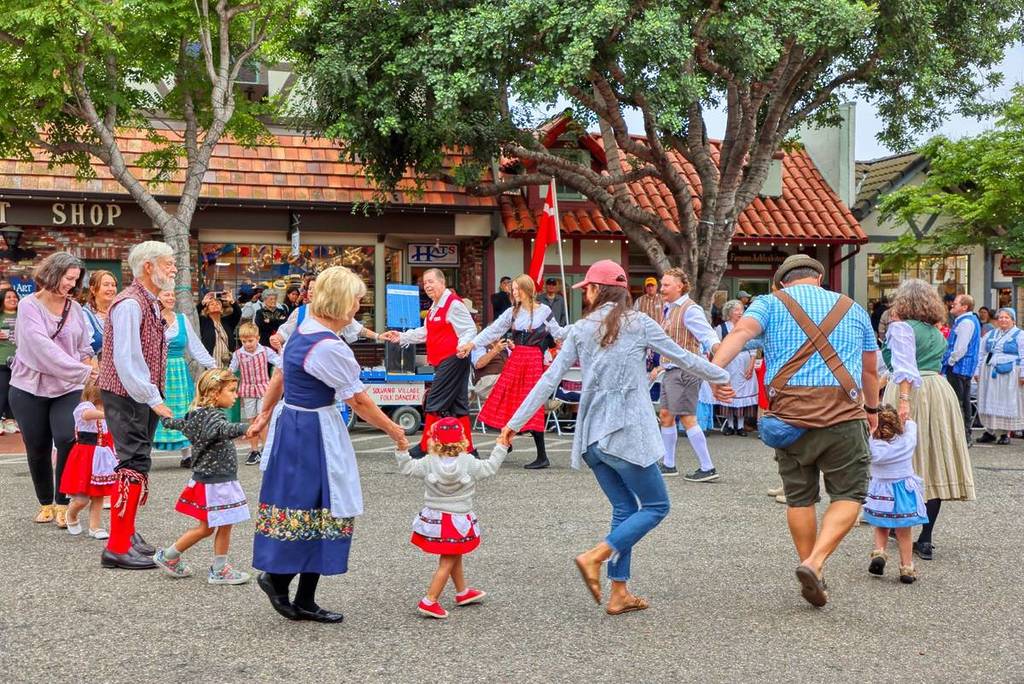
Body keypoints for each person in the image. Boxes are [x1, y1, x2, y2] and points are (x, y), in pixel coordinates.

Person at [501, 260, 730, 615]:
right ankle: (596, 555)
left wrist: (513, 423)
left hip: (592, 438)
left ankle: (619, 592)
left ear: (597, 289)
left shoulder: (581, 328)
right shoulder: (639, 323)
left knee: (625, 508)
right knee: (657, 506)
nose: (585, 295)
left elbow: (549, 379)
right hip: (625, 433)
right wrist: (721, 377)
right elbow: (684, 357)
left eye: (587, 289)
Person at [711, 254, 879, 608]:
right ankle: (815, 563)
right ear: (818, 278)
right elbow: (869, 371)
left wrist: (716, 373)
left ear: (783, 282)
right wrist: (873, 410)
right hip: (843, 416)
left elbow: (740, 334)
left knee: (800, 497)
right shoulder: (852, 308)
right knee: (849, 495)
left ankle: (811, 565)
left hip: (789, 417)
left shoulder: (769, 303)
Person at [250, 266, 408, 623]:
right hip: (313, 430)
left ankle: (299, 593)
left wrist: (264, 413)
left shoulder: (305, 329)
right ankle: (279, 580)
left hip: (296, 424)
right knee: (321, 506)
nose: (358, 305)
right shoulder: (327, 346)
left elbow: (281, 376)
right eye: (355, 299)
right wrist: (392, 430)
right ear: (342, 301)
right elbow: (358, 400)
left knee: (312, 507)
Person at [881, 280, 976, 562]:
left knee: (903, 460)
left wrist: (904, 400)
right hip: (938, 389)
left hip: (911, 391)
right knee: (934, 460)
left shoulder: (901, 328)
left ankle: (899, 526)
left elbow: (904, 368)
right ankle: (926, 537)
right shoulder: (936, 332)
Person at [97, 241, 177, 570]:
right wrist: (154, 400)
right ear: (148, 266)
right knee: (133, 462)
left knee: (137, 461)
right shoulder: (130, 303)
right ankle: (117, 546)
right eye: (168, 263)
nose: (173, 269)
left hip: (137, 394)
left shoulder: (149, 302)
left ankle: (126, 534)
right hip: (126, 394)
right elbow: (127, 360)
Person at [9, 252, 96, 528]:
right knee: (37, 445)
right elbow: (40, 348)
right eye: (68, 278)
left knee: (67, 437)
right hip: (28, 386)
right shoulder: (28, 306)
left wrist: (89, 370)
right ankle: (45, 502)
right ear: (53, 273)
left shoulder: (76, 309)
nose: (71, 284)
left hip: (68, 386)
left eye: (75, 280)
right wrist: (83, 371)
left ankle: (62, 501)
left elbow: (84, 347)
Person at [395, 418, 510, 618]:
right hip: (458, 519)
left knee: (454, 554)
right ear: (462, 438)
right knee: (448, 559)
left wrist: (402, 450)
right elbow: (490, 467)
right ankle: (429, 600)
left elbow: (408, 468)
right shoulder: (469, 462)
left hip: (436, 518)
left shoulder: (428, 462)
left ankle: (462, 591)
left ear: (434, 439)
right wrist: (501, 446)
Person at [153, 368, 259, 585]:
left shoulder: (198, 414)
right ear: (214, 392)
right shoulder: (213, 417)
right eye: (231, 390)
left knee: (207, 527)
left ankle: (170, 556)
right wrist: (246, 428)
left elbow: (183, 425)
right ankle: (218, 570)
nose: (236, 395)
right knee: (221, 524)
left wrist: (167, 420)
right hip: (217, 481)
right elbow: (221, 429)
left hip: (210, 480)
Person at [458, 274, 567, 469]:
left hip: (532, 360)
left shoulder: (544, 311)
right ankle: (506, 442)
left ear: (526, 290)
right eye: (513, 289)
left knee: (532, 403)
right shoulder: (512, 312)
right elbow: (493, 330)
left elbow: (558, 333)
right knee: (505, 398)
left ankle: (542, 455)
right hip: (516, 359)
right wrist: (472, 344)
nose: (513, 292)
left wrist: (579, 331)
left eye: (516, 288)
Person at [380, 268, 478, 456]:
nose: (427, 286)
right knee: (458, 405)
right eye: (425, 283)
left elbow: (469, 329)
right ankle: (469, 449)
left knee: (434, 400)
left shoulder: (453, 304)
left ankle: (425, 446)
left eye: (431, 281)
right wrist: (401, 337)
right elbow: (425, 332)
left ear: (442, 282)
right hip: (444, 360)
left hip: (454, 359)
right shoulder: (435, 307)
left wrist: (462, 345)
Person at [649, 268, 721, 480]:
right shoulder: (670, 309)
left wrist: (719, 353)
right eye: (662, 285)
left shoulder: (690, 309)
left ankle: (708, 467)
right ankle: (669, 464)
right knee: (666, 415)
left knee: (687, 416)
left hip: (685, 370)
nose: (662, 289)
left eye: (666, 285)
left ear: (680, 286)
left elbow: (707, 335)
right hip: (671, 370)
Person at [153, 290, 217, 469]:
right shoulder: (152, 319)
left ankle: (187, 455)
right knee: (156, 409)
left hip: (179, 372)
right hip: (157, 370)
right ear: (157, 298)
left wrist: (212, 365)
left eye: (172, 295)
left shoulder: (181, 319)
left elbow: (195, 346)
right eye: (166, 295)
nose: (170, 298)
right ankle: (144, 454)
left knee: (183, 409)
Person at [864, 407, 928, 585]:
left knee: (881, 525)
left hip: (880, 492)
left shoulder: (872, 445)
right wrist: (906, 419)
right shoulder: (906, 442)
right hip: (902, 492)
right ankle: (906, 567)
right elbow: (912, 427)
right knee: (904, 531)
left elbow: (866, 438)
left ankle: (879, 552)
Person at [58, 382, 117, 538]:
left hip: (102, 458)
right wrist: (109, 413)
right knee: (81, 499)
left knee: (98, 495)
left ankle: (95, 527)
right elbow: (87, 415)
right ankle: (71, 514)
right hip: (84, 457)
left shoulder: (106, 410)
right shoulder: (84, 407)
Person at [230, 321, 282, 466]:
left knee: (262, 419)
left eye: (250, 340)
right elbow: (232, 369)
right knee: (252, 420)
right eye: (244, 341)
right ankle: (254, 450)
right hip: (248, 390)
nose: (247, 344)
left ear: (258, 338)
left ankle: (266, 448)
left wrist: (280, 350)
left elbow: (279, 362)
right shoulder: (238, 354)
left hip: (264, 389)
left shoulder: (265, 351)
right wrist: (225, 376)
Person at [976, 307, 1024, 446]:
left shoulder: (1020, 335)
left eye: (1006, 317)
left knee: (1006, 400)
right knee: (988, 399)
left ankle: (1005, 433)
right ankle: (990, 431)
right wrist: (977, 371)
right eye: (1001, 317)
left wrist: (1023, 374)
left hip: (1009, 374)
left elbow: (1023, 355)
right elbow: (981, 353)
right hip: (989, 372)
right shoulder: (991, 334)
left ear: (1013, 320)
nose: (1003, 320)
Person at [717, 299, 760, 436]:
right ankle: (730, 425)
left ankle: (740, 426)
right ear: (729, 312)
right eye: (737, 310)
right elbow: (717, 347)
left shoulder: (746, 326)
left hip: (744, 363)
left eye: (741, 309)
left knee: (742, 393)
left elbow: (753, 348)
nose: (740, 312)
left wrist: (751, 364)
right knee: (730, 392)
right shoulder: (721, 328)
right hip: (729, 363)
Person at [942, 293, 981, 446]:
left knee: (959, 402)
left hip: (959, 367)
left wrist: (950, 361)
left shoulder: (966, 322)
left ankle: (964, 436)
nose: (952, 304)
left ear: (964, 307)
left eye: (956, 303)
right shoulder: (967, 320)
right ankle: (964, 435)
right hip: (962, 367)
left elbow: (960, 348)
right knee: (963, 401)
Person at [198, 290, 241, 368]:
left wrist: (232, 301)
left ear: (221, 309)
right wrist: (203, 303)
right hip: (211, 362)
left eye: (218, 304)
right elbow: (195, 314)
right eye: (212, 304)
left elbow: (238, 313)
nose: (215, 305)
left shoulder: (227, 322)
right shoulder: (204, 322)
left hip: (227, 361)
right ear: (207, 310)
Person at [82, 270, 118, 356]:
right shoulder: (84, 314)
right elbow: (83, 349)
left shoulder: (119, 311)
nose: (111, 289)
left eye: (113, 285)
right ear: (93, 289)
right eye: (106, 285)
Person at [0, 287, 20, 435]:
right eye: (8, 297)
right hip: (1, 360)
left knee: (14, 392)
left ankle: (10, 420)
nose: (13, 299)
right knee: (2, 391)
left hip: (19, 361)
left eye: (14, 297)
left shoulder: (23, 315)